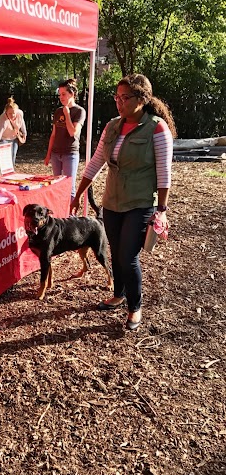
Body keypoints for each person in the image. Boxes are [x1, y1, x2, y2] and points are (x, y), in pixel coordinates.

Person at [70, 73, 176, 331]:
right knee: (115, 252)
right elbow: (96, 162)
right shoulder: (112, 126)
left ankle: (134, 307)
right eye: (117, 97)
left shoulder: (157, 128)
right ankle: (118, 294)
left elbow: (164, 173)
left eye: (125, 97)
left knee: (128, 257)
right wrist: (79, 192)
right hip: (112, 201)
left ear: (143, 98)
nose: (119, 102)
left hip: (140, 203)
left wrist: (161, 210)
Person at [44, 79, 86, 201]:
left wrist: (67, 114)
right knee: (56, 185)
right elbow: (53, 134)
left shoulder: (79, 111)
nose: (61, 97)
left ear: (71, 94)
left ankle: (70, 216)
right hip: (56, 154)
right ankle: (60, 213)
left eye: (63, 94)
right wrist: (48, 155)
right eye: (59, 94)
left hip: (70, 154)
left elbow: (73, 132)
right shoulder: (58, 111)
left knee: (69, 187)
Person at [0, 97, 27, 166]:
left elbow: (22, 122)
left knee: (12, 157)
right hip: (4, 139)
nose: (13, 115)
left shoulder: (20, 113)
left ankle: (11, 173)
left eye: (14, 113)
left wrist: (25, 133)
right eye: (10, 113)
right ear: (6, 112)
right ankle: (2, 174)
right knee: (4, 159)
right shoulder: (3, 120)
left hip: (14, 137)